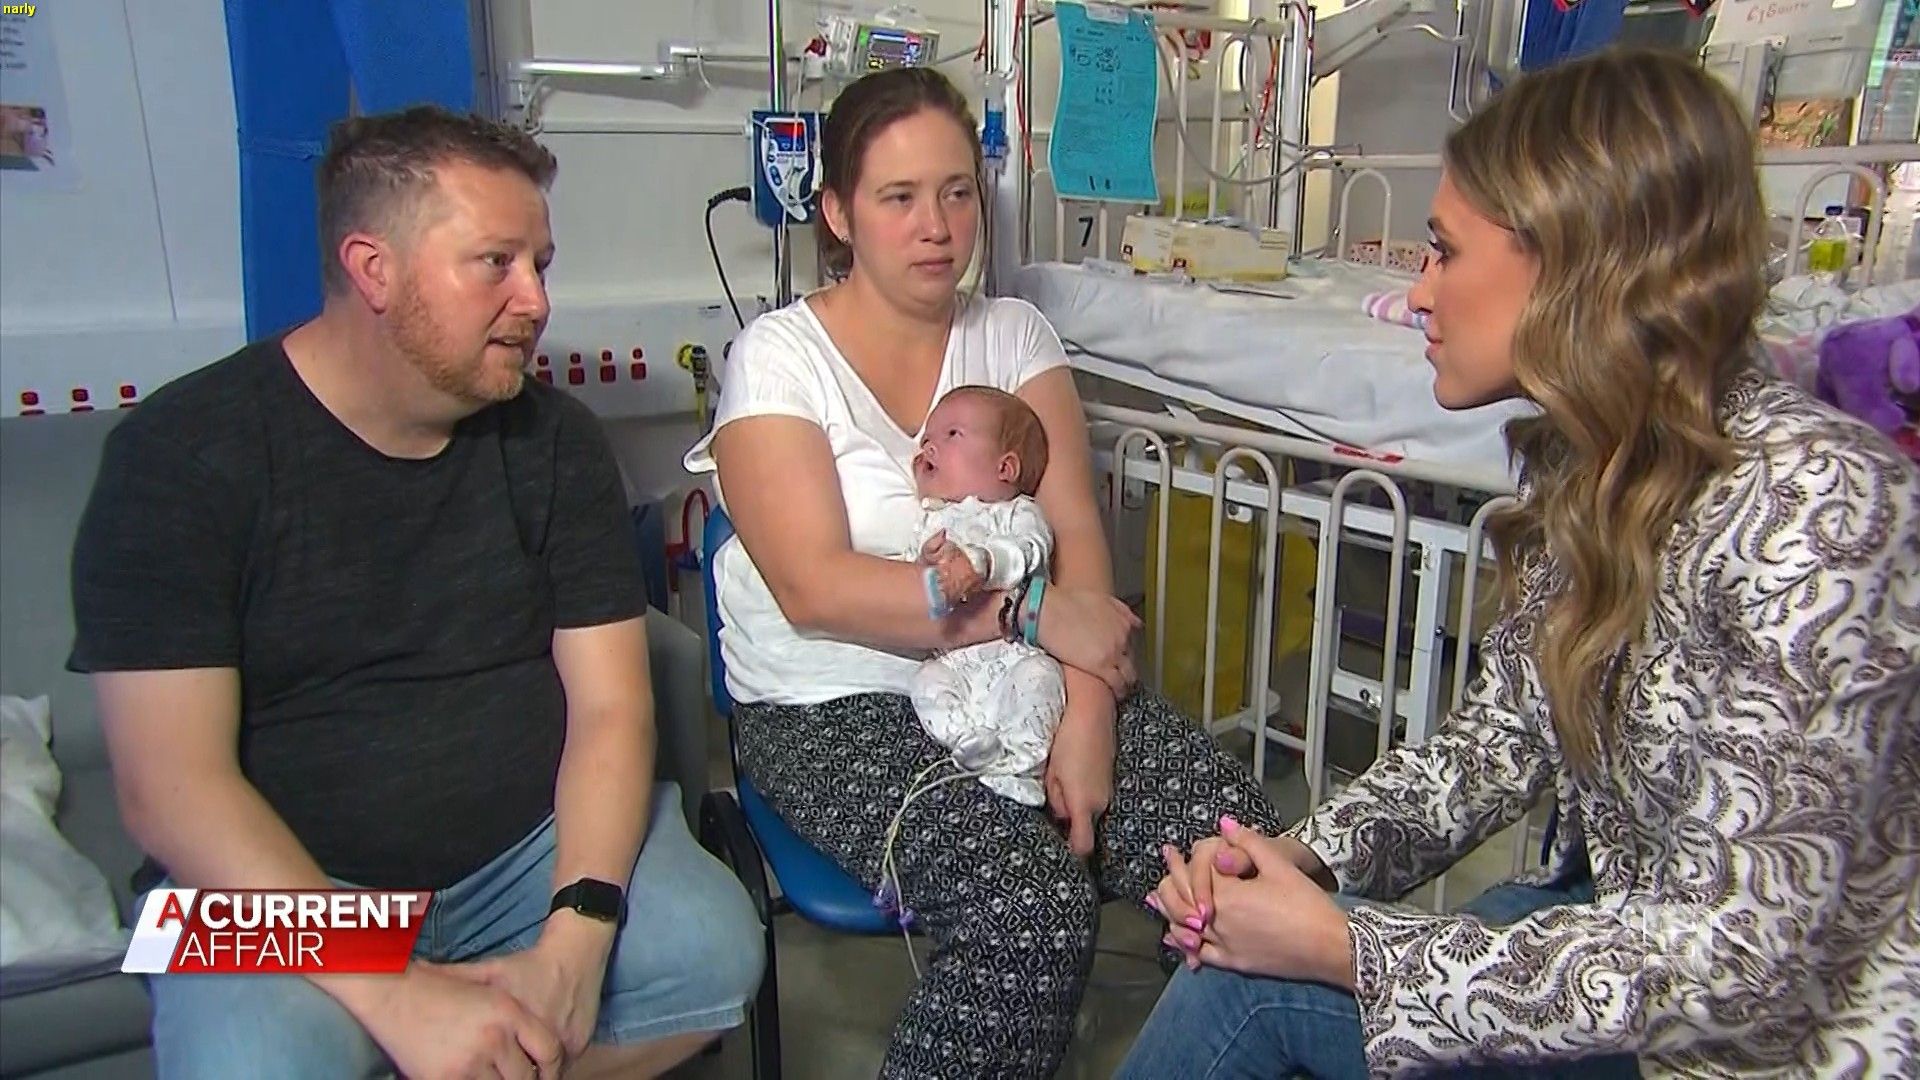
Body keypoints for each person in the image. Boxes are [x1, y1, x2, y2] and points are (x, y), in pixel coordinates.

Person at [1119, 48, 1920, 1079]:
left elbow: (1738, 962)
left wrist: (1348, 947)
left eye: (1444, 252)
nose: (1417, 295)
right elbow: (1495, 747)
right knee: (1246, 964)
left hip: (1766, 1048)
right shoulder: (1593, 466)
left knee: (1254, 987)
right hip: (1613, 936)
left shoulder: (1818, 503)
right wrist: (1298, 859)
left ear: (1578, 264)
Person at [69, 105, 764, 1080]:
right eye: (495, 263)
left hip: (523, 858)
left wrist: (576, 939)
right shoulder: (178, 458)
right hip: (278, 890)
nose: (535, 300)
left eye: (541, 264)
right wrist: (393, 989)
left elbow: (611, 709)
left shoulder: (555, 442)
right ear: (373, 269)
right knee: (256, 1062)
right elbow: (169, 791)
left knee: (715, 951)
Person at [683, 66, 1289, 1078]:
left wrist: (1086, 720)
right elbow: (816, 589)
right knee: (1030, 909)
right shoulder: (778, 358)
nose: (937, 227)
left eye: (957, 192)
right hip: (834, 703)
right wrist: (1031, 614)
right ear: (837, 212)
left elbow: (1079, 544)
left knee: (1242, 852)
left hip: (1033, 686)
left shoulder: (1012, 338)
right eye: (899, 197)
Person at [906, 385, 1063, 807]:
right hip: (954, 662)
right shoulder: (931, 522)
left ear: (1005, 468)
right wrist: (925, 563)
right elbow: (916, 594)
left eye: (951, 435)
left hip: (1015, 655)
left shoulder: (1016, 512)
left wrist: (982, 563)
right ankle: (969, 741)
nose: (928, 446)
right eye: (926, 438)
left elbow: (1030, 550)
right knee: (925, 683)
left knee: (1041, 680)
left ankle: (1023, 764)